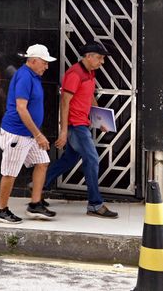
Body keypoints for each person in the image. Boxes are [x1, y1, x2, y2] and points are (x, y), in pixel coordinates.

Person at [43, 42, 119, 218]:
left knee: (69, 159)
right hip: (76, 126)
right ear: (88, 56)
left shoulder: (89, 73)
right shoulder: (74, 74)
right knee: (92, 159)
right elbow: (64, 102)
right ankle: (95, 204)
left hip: (82, 123)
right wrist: (64, 131)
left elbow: (89, 96)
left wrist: (100, 119)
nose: (102, 62)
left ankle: (39, 185)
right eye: (99, 58)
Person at [0, 44, 58, 224]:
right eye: (44, 63)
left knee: (42, 162)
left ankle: (35, 204)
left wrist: (36, 133)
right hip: (17, 133)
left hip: (29, 134)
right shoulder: (24, 77)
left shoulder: (33, 76)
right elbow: (21, 108)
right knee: (10, 172)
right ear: (34, 61)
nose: (47, 67)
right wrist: (38, 135)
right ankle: (0, 210)